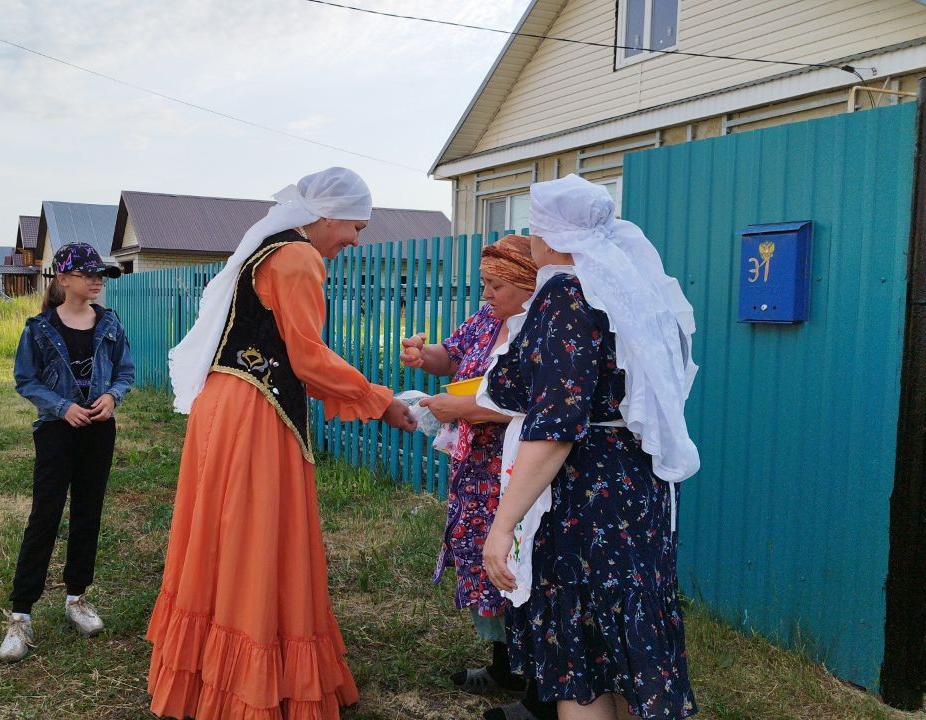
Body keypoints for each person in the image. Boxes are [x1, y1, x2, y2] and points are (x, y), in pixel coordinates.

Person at [147, 167, 416, 719]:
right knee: (256, 534)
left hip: (224, 405)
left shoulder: (267, 249)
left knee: (222, 533)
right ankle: (246, 679)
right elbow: (308, 358)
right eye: (356, 227)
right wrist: (378, 400)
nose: (355, 241)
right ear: (329, 215)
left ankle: (207, 672)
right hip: (255, 414)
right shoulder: (297, 258)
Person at [480, 174, 699, 719]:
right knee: (625, 645)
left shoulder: (565, 295)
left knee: (582, 663)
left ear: (550, 238)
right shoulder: (630, 292)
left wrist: (503, 525)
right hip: (638, 488)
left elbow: (555, 426)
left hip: (587, 495)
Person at [400, 235, 555, 720]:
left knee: (522, 565)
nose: (485, 294)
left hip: (519, 471)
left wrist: (469, 408)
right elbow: (451, 355)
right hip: (479, 468)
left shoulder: (544, 327)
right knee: (488, 566)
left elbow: (547, 409)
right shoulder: (489, 319)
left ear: (528, 285)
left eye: (495, 285)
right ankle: (505, 666)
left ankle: (540, 689)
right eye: (484, 283)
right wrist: (423, 357)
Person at [0, 242, 135, 663]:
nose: (97, 281)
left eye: (102, 276)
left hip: (99, 434)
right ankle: (21, 614)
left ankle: (76, 597)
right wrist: (62, 407)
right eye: (88, 274)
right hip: (57, 434)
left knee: (88, 514)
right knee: (45, 516)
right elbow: (26, 380)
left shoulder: (109, 324)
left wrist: (112, 396)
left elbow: (126, 372)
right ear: (63, 279)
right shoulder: (39, 329)